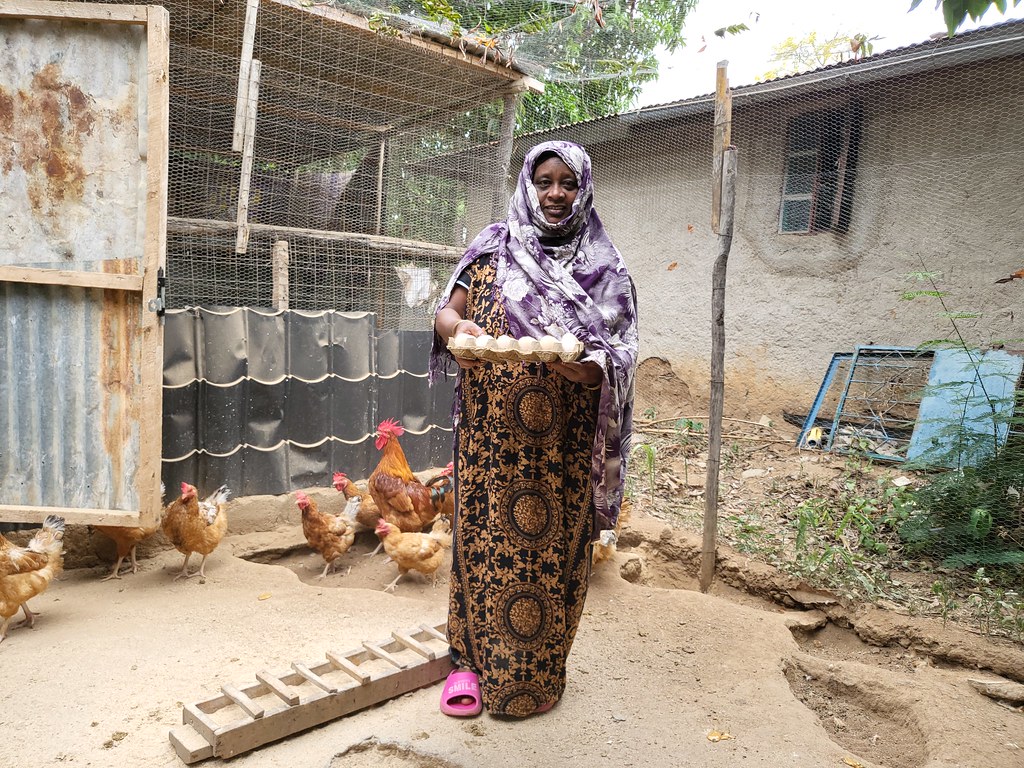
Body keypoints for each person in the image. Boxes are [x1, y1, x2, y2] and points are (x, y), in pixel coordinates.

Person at [429, 140, 638, 718]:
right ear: (527, 183)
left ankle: (537, 678)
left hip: (561, 451)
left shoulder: (601, 265)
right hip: (490, 439)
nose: (554, 193)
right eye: (544, 180)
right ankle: (467, 663)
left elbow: (620, 352)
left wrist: (590, 368)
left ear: (583, 189)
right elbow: (447, 309)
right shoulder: (492, 246)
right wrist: (459, 334)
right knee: (482, 545)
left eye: (567, 183)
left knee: (548, 558)